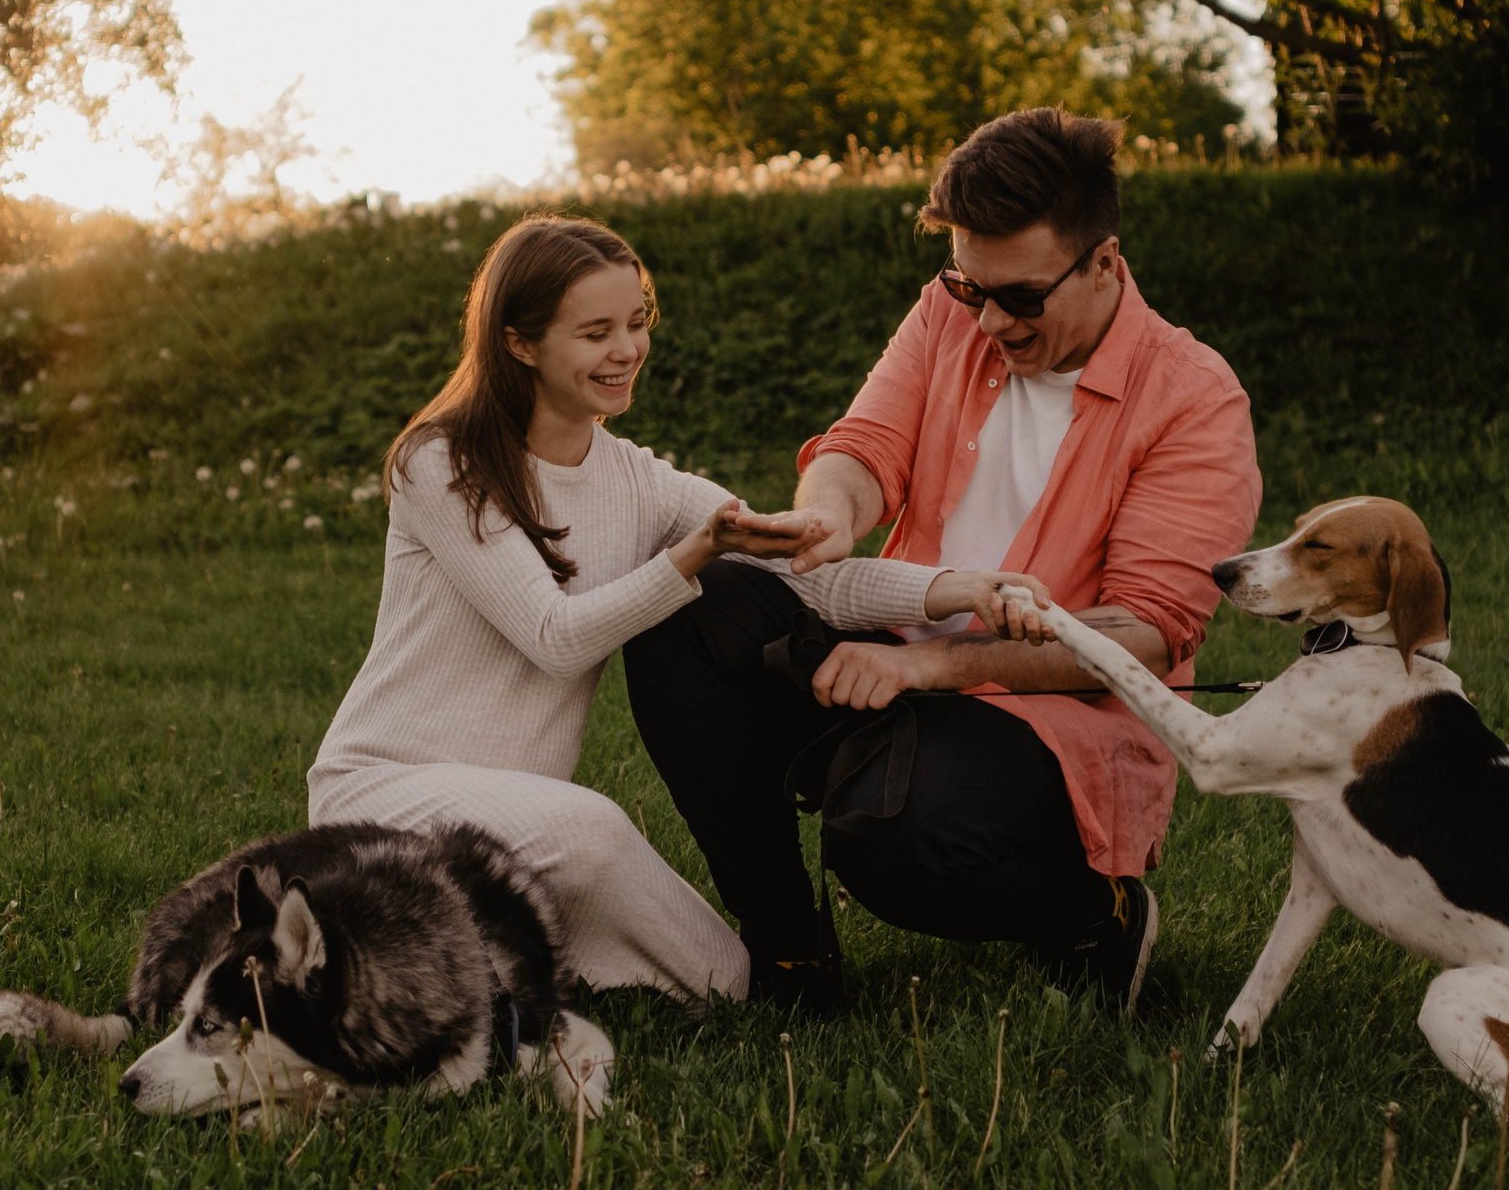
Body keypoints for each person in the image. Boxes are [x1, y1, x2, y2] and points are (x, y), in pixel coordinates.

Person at [305, 214, 1053, 1007]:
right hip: (384, 794)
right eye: (595, 332)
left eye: (637, 322)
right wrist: (689, 556)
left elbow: (808, 578)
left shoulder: (636, 479)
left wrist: (964, 586)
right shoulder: (440, 462)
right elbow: (554, 638)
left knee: (726, 979)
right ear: (520, 343)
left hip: (519, 825)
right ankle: (398, 941)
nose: (627, 350)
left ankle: (479, 962)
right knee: (593, 831)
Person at [625, 110, 1263, 1013]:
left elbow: (1145, 634)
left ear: (1105, 264)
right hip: (883, 637)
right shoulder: (948, 313)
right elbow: (864, 445)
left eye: (1023, 297)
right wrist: (827, 519)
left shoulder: (1194, 399)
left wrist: (927, 664)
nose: (992, 319)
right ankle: (789, 957)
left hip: (1046, 715)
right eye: (972, 289)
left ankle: (1097, 916)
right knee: (688, 611)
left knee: (889, 842)